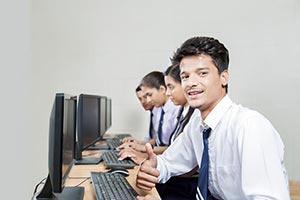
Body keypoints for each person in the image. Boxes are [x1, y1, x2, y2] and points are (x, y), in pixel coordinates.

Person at [136, 36, 290, 200]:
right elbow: (171, 162)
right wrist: (154, 168)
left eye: (202, 73)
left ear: (224, 77)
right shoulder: (198, 124)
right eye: (185, 76)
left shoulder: (250, 127)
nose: (191, 83)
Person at [118, 71, 180, 153]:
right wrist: (138, 144)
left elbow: (174, 148)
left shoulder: (175, 110)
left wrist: (142, 148)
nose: (148, 100)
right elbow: (159, 139)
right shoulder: (162, 110)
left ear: (162, 90)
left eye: (149, 95)